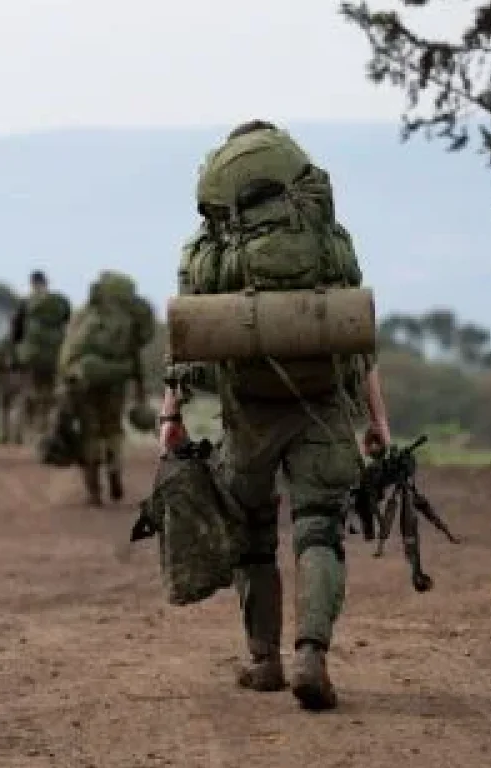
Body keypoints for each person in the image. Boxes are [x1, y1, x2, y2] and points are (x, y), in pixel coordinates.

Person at [163, 120, 392, 711]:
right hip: (322, 406)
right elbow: (358, 339)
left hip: (247, 414)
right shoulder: (329, 241)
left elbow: (185, 344)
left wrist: (172, 413)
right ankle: (311, 652)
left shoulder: (208, 251)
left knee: (253, 535)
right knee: (318, 527)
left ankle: (263, 660)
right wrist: (376, 421)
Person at [56, 271, 154, 505]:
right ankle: (114, 471)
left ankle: (94, 492)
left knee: (90, 432)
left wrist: (66, 379)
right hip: (117, 381)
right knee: (112, 429)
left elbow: (69, 355)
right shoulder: (126, 321)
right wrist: (139, 387)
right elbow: (135, 353)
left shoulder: (83, 317)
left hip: (86, 384)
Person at [10, 270, 72, 438]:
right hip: (56, 355)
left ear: (32, 283)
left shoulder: (26, 303)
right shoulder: (60, 302)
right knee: (52, 393)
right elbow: (69, 322)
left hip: (31, 357)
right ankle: (49, 430)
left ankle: (22, 433)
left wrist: (16, 356)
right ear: (46, 283)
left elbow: (16, 331)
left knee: (28, 393)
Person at [0, 332, 26, 445]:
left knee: (3, 409)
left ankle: (4, 435)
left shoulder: (3, 342)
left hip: (4, 377)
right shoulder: (24, 341)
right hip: (19, 376)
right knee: (18, 407)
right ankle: (17, 435)